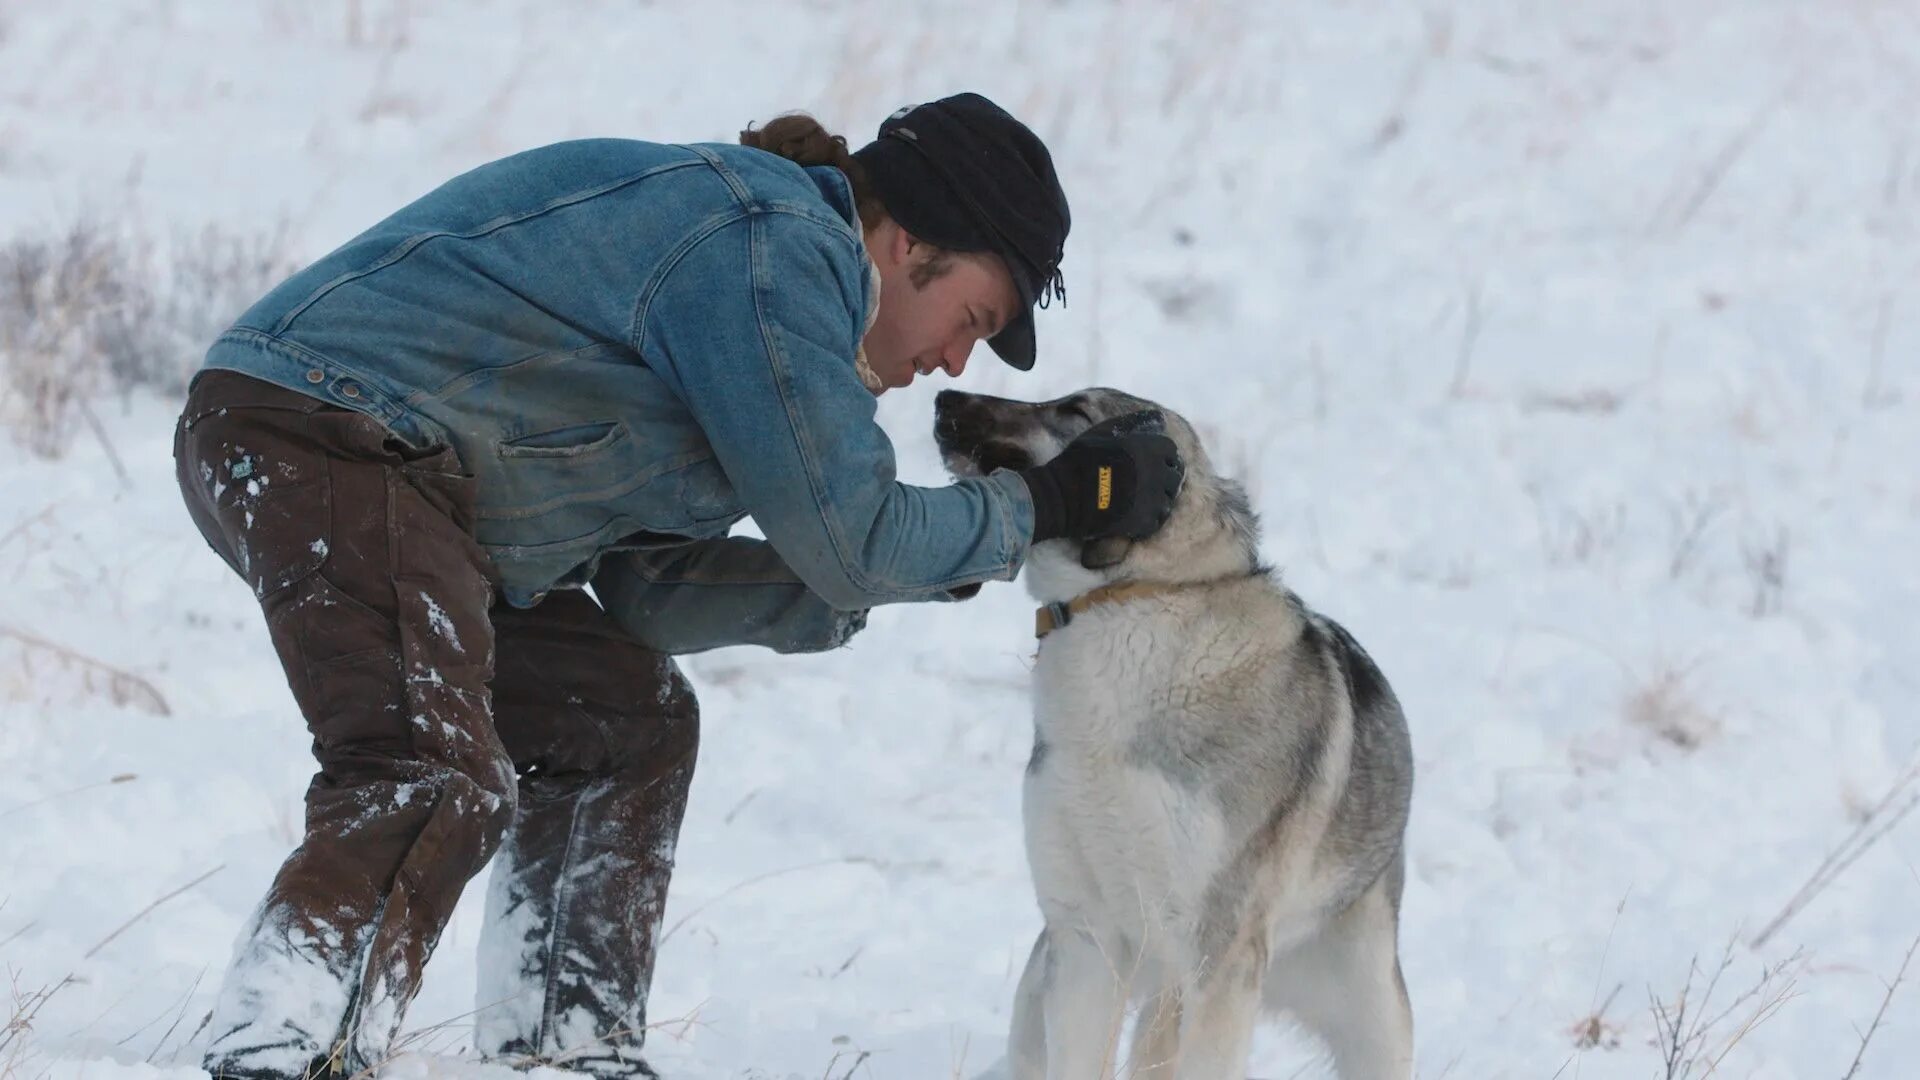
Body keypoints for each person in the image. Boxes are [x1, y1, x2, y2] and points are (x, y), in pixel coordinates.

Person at [172, 92, 1183, 1079]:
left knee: (623, 721)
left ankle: (566, 1050)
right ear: (905, 242)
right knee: (431, 766)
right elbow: (854, 538)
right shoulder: (773, 249)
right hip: (320, 429)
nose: (956, 358)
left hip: (420, 494)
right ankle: (285, 1047)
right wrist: (1038, 509)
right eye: (971, 316)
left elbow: (653, 587)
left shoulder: (771, 311)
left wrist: (935, 565)